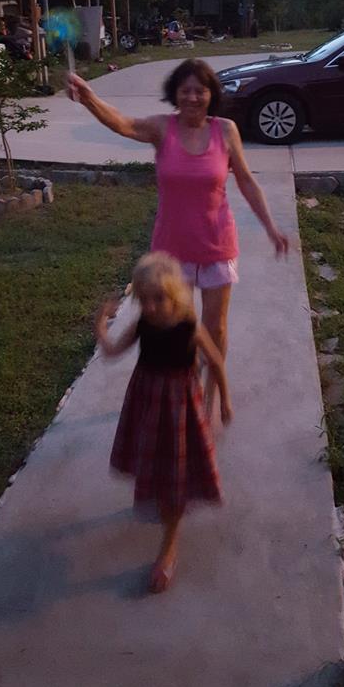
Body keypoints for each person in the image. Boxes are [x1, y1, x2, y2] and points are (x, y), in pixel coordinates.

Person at [68, 58, 288, 407]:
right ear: (175, 93)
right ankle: (183, 384)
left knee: (215, 328)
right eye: (185, 90)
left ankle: (211, 392)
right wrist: (88, 98)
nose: (192, 97)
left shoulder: (226, 130)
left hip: (216, 244)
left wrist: (271, 227)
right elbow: (123, 124)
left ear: (211, 94)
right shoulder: (162, 128)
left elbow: (246, 181)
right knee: (175, 326)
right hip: (170, 253)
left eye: (200, 90)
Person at [95, 252, 233, 593]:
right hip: (147, 405)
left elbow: (216, 362)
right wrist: (101, 325)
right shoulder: (143, 324)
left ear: (175, 295)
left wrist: (225, 401)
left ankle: (169, 544)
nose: (151, 307)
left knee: (176, 470)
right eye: (144, 300)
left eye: (159, 298)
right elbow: (112, 351)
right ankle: (166, 505)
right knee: (156, 462)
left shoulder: (189, 327)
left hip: (179, 408)